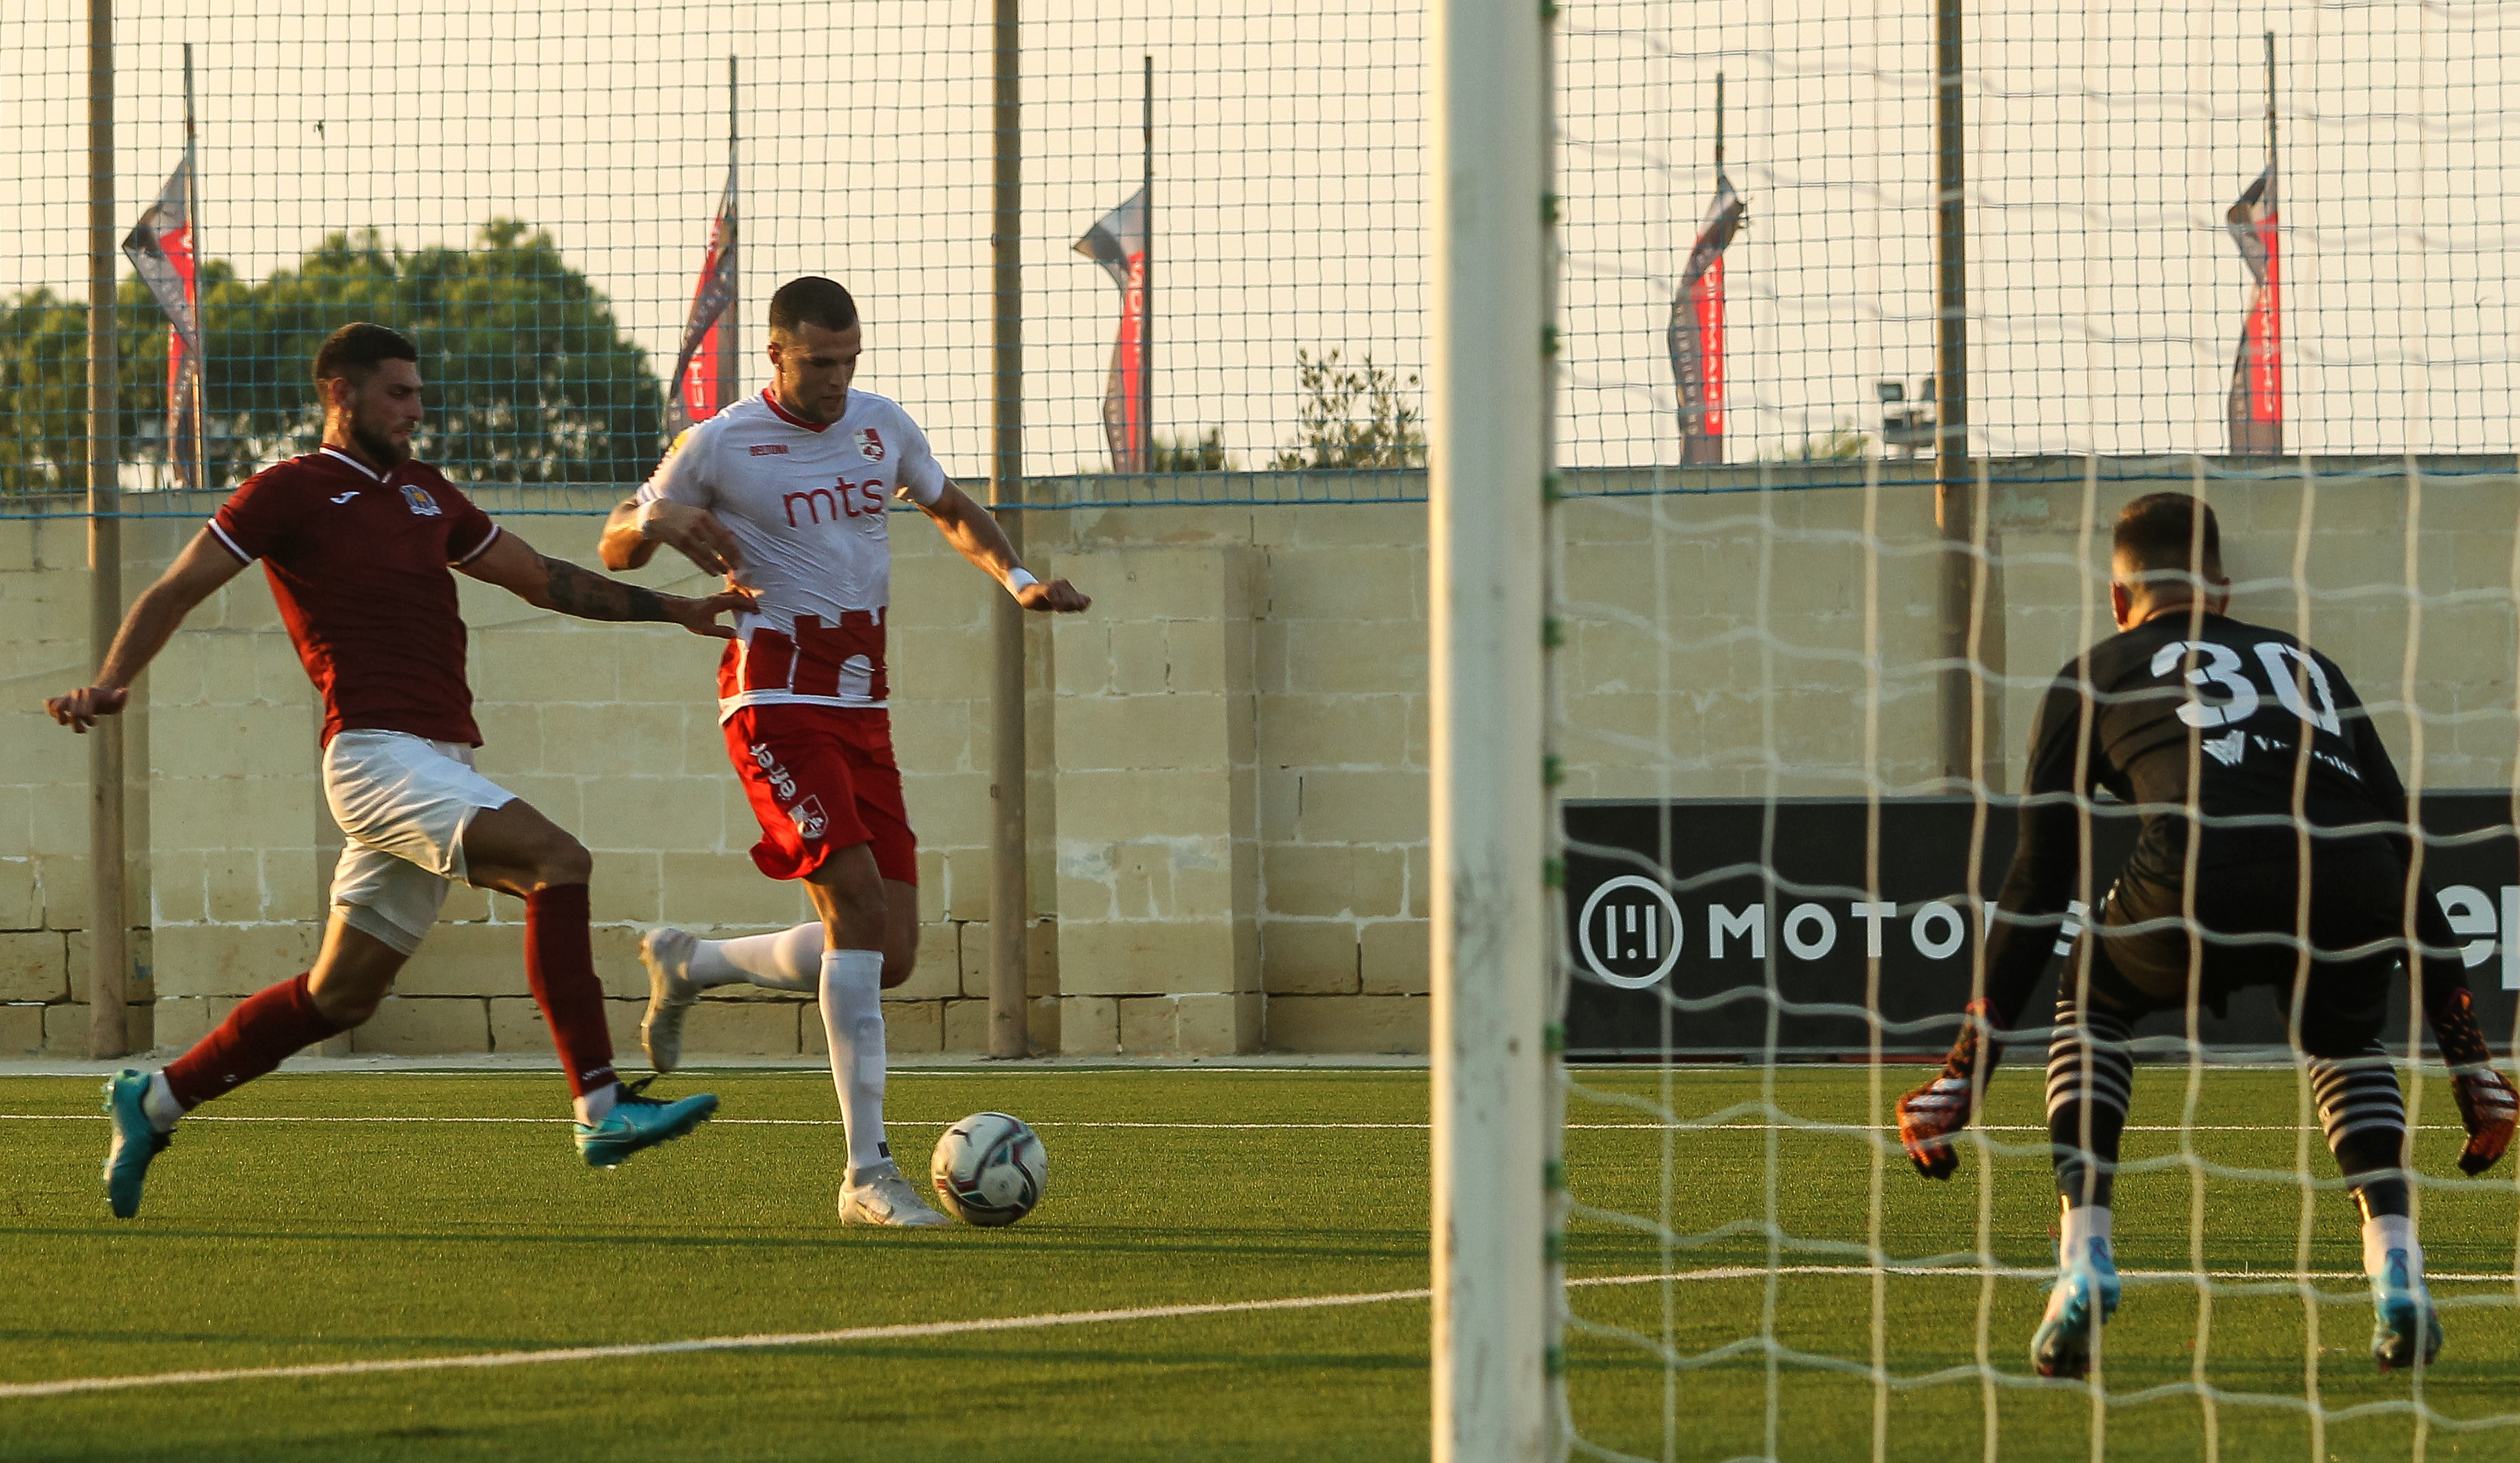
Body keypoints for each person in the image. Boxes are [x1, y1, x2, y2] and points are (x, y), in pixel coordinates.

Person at [47, 322, 745, 1220]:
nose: (417, 410)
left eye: (418, 393)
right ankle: (600, 1103)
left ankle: (155, 1100)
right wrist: (110, 683)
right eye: (399, 394)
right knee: (556, 859)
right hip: (375, 755)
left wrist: (674, 609)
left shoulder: (426, 492)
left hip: (438, 757)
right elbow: (177, 586)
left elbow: (542, 578)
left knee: (338, 994)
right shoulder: (288, 491)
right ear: (340, 391)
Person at [1895, 492, 2517, 1379]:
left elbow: (2038, 884)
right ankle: (2398, 1273)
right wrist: (2469, 1061)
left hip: (2196, 880)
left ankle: (2082, 1256)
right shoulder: (2310, 666)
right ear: (2222, 591)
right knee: (2342, 1036)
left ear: (2118, 598)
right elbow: (2400, 847)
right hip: (2350, 884)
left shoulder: (2094, 670)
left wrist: (1964, 1070)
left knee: (2087, 1000)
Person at [597, 276, 1089, 1227]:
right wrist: (655, 521)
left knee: (890, 948)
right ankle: (866, 1173)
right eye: (819, 361)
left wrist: (1018, 578)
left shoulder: (880, 424)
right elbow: (617, 542)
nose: (836, 377)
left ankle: (696, 961)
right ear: (777, 354)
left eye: (849, 358)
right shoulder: (719, 441)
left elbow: (949, 506)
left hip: (865, 703)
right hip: (773, 695)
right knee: (856, 906)